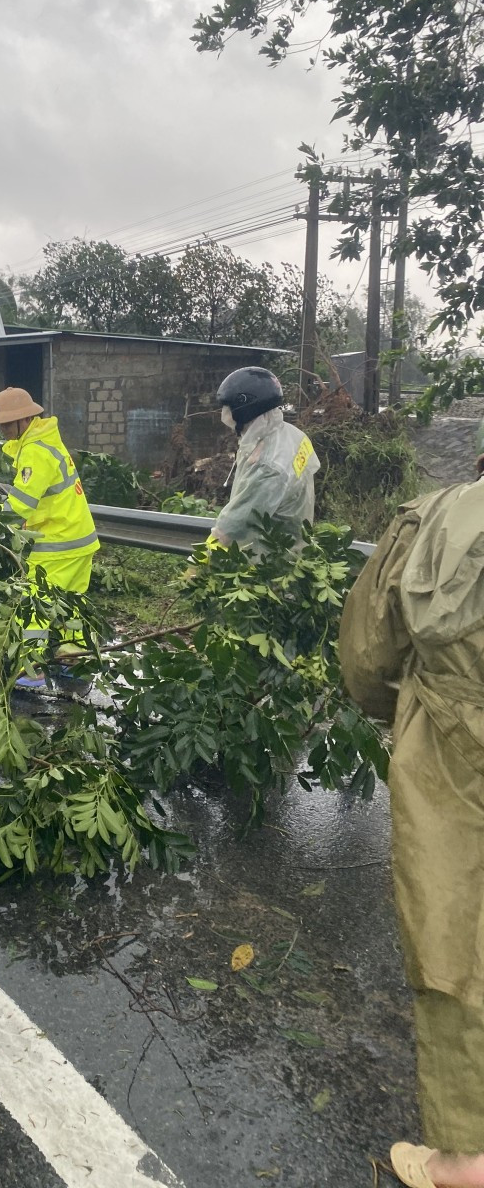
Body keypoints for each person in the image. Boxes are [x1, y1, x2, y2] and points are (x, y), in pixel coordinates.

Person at [339, 422, 484, 1188]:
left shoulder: (435, 517)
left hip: (458, 753)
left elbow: (367, 659)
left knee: (456, 938)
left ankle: (465, 1161)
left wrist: (391, 708)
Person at [0, 386, 99, 689]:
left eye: (6, 424)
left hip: (57, 544)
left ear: (24, 421)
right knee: (71, 603)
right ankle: (73, 660)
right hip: (78, 540)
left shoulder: (35, 452)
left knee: (34, 603)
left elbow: (21, 504)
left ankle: (31, 668)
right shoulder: (46, 443)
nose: (2, 430)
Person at [211, 366, 319, 553]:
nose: (224, 415)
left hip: (269, 562)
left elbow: (234, 525)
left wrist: (197, 566)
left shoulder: (268, 465)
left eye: (227, 408)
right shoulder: (292, 435)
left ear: (245, 409)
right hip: (294, 546)